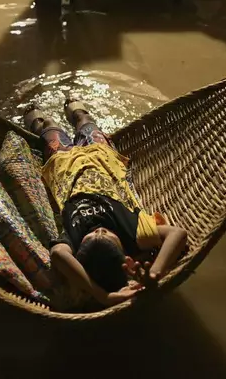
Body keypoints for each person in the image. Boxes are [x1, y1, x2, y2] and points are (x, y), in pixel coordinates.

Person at [24, 99, 188, 307]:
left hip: (62, 162)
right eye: (108, 237)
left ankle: (36, 118)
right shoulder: (133, 234)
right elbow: (178, 233)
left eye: (91, 237)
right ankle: (75, 108)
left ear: (79, 248)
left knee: (47, 128)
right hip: (101, 155)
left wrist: (100, 294)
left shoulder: (73, 239)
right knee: (84, 121)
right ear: (125, 251)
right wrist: (155, 272)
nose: (99, 230)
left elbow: (58, 254)